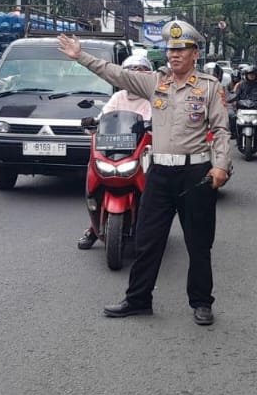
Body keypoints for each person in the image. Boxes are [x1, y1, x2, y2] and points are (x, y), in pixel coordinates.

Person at [57, 19, 231, 326]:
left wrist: (220, 165)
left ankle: (202, 302)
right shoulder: (154, 83)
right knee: (148, 240)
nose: (175, 55)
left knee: (199, 243)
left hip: (195, 175)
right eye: (171, 50)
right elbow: (116, 73)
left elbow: (220, 130)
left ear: (195, 54)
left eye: (182, 50)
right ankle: (138, 299)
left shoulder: (208, 87)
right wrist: (80, 56)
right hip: (159, 172)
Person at [77, 54, 154, 250]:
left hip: (141, 151)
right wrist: (93, 122)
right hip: (114, 148)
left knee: (155, 188)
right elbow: (104, 117)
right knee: (93, 176)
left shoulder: (152, 99)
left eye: (140, 71)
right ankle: (93, 228)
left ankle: (152, 228)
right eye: (130, 72)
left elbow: (157, 122)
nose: (135, 76)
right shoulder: (118, 97)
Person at [229, 64, 257, 142]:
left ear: (256, 75)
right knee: (232, 116)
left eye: (253, 74)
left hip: (256, 107)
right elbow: (236, 95)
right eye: (249, 74)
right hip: (242, 107)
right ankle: (234, 133)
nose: (251, 76)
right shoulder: (241, 85)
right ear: (246, 75)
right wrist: (233, 101)